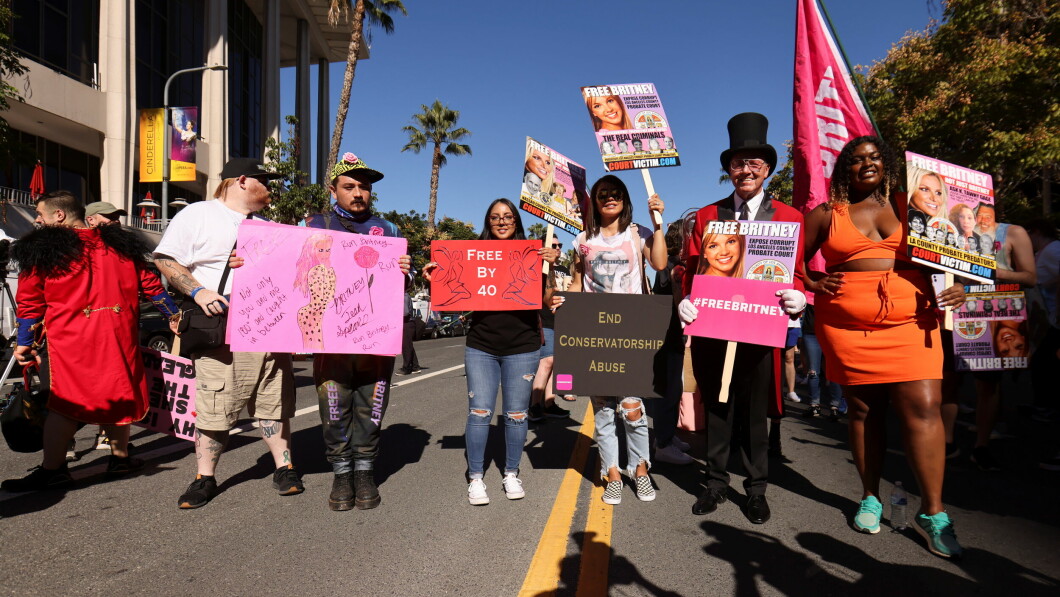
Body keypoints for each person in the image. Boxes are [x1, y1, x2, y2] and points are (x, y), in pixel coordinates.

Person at [800, 136, 965, 559]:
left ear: (886, 164)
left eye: (874, 158)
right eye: (855, 161)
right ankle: (870, 496)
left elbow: (957, 255)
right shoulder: (825, 214)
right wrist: (812, 282)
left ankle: (933, 512)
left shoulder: (917, 205)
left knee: (925, 407)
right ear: (844, 171)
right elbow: (790, 260)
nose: (866, 164)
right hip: (847, 326)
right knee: (864, 410)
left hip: (914, 321)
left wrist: (961, 284)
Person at [677, 113, 807, 525]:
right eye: (737, 163)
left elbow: (799, 272)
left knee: (754, 412)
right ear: (728, 170)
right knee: (717, 406)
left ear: (766, 169)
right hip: (715, 327)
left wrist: (798, 296)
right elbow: (690, 268)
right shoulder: (707, 216)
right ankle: (715, 482)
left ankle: (755, 488)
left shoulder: (789, 218)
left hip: (761, 329)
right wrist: (686, 300)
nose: (745, 170)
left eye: (754, 163)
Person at [2, 191, 179, 492]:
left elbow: (30, 303)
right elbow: (151, 285)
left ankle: (54, 470)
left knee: (64, 406)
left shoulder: (41, 251)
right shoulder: (120, 245)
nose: (37, 220)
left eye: (40, 214)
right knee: (119, 394)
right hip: (118, 336)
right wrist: (173, 315)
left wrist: (23, 342)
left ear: (59, 216)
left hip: (71, 341)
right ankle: (120, 459)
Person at [154, 158, 303, 509]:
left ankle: (284, 468)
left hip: (268, 328)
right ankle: (205, 476)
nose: (271, 189)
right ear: (241, 180)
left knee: (274, 401)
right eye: (265, 181)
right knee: (215, 405)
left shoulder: (267, 225)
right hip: (225, 327)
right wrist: (198, 291)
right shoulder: (199, 214)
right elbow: (164, 259)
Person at [425, 199, 557, 505]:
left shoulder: (533, 254)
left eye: (508, 217)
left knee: (516, 414)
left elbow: (548, 301)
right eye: (495, 217)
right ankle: (476, 478)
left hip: (522, 346)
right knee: (480, 412)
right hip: (481, 346)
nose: (502, 222)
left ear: (516, 222)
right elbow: (450, 293)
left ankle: (511, 473)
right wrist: (435, 278)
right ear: (488, 221)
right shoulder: (470, 254)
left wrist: (551, 263)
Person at [301, 152, 413, 511]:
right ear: (334, 189)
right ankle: (341, 471)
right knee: (333, 406)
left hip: (375, 339)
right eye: (349, 186)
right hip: (331, 342)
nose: (359, 193)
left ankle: (365, 469)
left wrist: (406, 270)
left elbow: (399, 284)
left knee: (371, 405)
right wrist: (249, 263)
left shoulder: (389, 230)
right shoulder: (313, 224)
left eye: (364, 187)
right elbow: (289, 270)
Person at [558, 174, 667, 505]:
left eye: (615, 193)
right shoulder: (582, 241)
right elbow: (577, 285)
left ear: (624, 198)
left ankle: (641, 470)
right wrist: (564, 308)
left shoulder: (639, 234)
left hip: (633, 331)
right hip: (595, 334)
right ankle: (613, 473)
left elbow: (660, 263)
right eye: (603, 193)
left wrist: (658, 223)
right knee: (604, 413)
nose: (609, 198)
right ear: (594, 201)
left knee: (633, 409)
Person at [647, 218, 694, 465]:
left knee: (674, 387)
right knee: (667, 389)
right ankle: (663, 444)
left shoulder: (674, 264)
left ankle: (667, 435)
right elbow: (677, 300)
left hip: (669, 333)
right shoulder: (673, 266)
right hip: (667, 333)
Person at [528, 238, 570, 422]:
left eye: (560, 245)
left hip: (563, 320)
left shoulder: (565, 269)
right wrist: (550, 266)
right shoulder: (539, 268)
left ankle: (549, 403)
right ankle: (535, 405)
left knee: (557, 363)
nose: (557, 248)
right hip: (544, 319)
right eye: (553, 245)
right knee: (547, 361)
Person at [398, 293, 422, 375]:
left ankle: (406, 368)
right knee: (408, 345)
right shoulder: (405, 295)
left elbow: (405, 312)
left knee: (406, 346)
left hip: (406, 322)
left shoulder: (403, 296)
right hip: (407, 323)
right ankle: (415, 367)